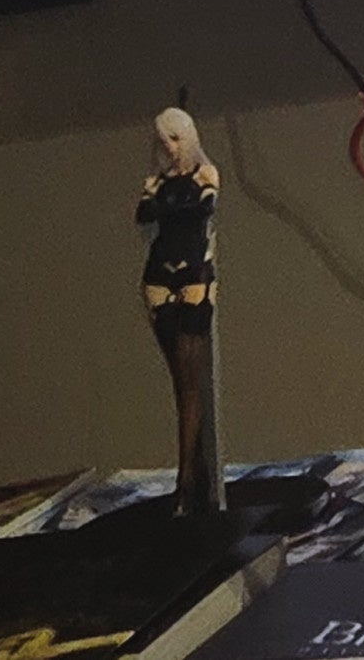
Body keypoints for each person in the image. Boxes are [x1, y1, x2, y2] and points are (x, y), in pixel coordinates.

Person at [136, 108, 223, 503]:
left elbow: (204, 208)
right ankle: (190, 475)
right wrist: (173, 206)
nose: (169, 148)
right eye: (163, 142)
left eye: (174, 139)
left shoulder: (206, 174)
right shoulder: (155, 182)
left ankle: (188, 477)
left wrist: (169, 207)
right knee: (180, 379)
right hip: (159, 275)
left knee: (192, 381)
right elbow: (144, 214)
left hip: (194, 275)